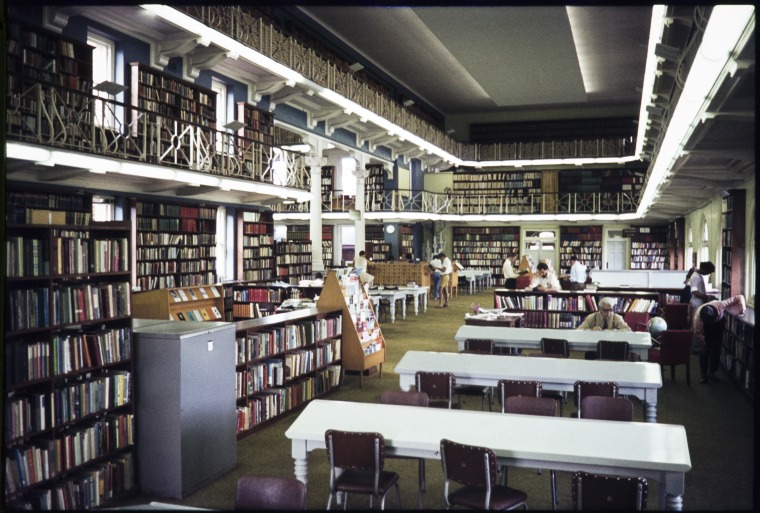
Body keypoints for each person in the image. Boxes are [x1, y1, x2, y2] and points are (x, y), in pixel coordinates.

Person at [693, 295, 746, 384]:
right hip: (706, 327)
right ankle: (703, 375)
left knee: (716, 348)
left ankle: (712, 372)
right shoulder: (698, 318)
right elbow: (699, 334)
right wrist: (704, 343)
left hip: (718, 325)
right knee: (704, 351)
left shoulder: (720, 305)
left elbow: (739, 297)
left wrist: (742, 311)